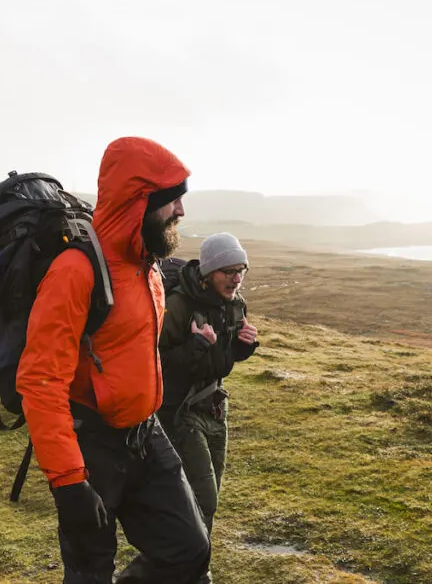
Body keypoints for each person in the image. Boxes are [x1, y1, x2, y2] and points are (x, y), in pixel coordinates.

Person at [15, 136, 210, 584]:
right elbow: (40, 381)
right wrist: (68, 483)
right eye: (169, 200)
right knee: (89, 572)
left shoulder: (149, 265)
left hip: (147, 433)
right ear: (137, 202)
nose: (180, 210)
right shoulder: (75, 270)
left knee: (189, 550)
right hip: (94, 447)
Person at [159, 232, 260, 541]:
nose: (236, 279)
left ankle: (192, 563)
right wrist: (196, 345)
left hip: (217, 409)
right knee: (204, 498)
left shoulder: (235, 304)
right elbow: (154, 360)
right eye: (228, 271)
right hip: (182, 411)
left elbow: (221, 360)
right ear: (208, 272)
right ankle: (184, 561)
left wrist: (244, 347)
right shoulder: (178, 305)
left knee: (207, 496)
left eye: (240, 270)